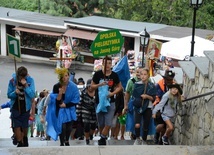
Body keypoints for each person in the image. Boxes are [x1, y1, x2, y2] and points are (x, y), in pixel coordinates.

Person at [91, 56, 123, 145]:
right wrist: (99, 85)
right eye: (105, 63)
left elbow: (120, 87)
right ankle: (103, 137)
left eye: (109, 63)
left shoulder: (114, 75)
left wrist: (112, 94)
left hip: (110, 102)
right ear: (102, 64)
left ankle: (102, 137)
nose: (107, 65)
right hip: (99, 102)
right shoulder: (97, 74)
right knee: (101, 123)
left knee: (108, 123)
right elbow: (92, 86)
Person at [46, 67, 80, 146]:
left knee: (69, 127)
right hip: (60, 109)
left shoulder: (73, 87)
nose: (64, 78)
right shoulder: (56, 86)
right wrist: (60, 93)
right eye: (62, 76)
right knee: (62, 127)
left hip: (70, 108)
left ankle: (67, 140)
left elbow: (76, 99)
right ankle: (62, 142)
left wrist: (67, 105)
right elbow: (55, 100)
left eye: (65, 76)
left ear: (68, 76)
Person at [7, 66, 35, 147]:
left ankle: (25, 137)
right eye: (20, 76)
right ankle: (20, 142)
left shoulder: (30, 80)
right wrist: (14, 93)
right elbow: (9, 95)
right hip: (15, 107)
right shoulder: (12, 81)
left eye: (24, 76)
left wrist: (26, 86)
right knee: (17, 125)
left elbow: (32, 95)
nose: (22, 78)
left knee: (24, 126)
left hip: (25, 107)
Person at [132, 68, 156, 145]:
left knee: (146, 124)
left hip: (148, 107)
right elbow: (134, 96)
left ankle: (144, 139)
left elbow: (153, 98)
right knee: (137, 124)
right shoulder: (136, 84)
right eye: (141, 74)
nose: (143, 76)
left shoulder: (151, 86)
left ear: (148, 76)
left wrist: (147, 96)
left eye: (145, 74)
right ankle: (137, 138)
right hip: (138, 106)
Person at [153, 70, 175, 144]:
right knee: (161, 125)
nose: (169, 81)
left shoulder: (174, 85)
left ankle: (161, 141)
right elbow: (158, 97)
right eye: (168, 79)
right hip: (159, 107)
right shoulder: (159, 85)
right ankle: (156, 134)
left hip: (168, 109)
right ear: (164, 78)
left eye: (170, 79)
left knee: (165, 127)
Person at [123, 66, 143, 140]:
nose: (139, 74)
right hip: (133, 103)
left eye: (141, 72)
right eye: (137, 72)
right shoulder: (131, 81)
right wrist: (126, 105)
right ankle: (134, 134)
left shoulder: (147, 80)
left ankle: (139, 134)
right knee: (133, 119)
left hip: (143, 103)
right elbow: (127, 93)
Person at [76, 79, 97, 145]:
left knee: (93, 125)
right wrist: (78, 113)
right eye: (89, 86)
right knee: (86, 125)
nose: (91, 88)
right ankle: (87, 138)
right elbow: (79, 103)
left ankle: (90, 135)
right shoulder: (83, 92)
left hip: (94, 110)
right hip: (85, 109)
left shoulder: (97, 92)